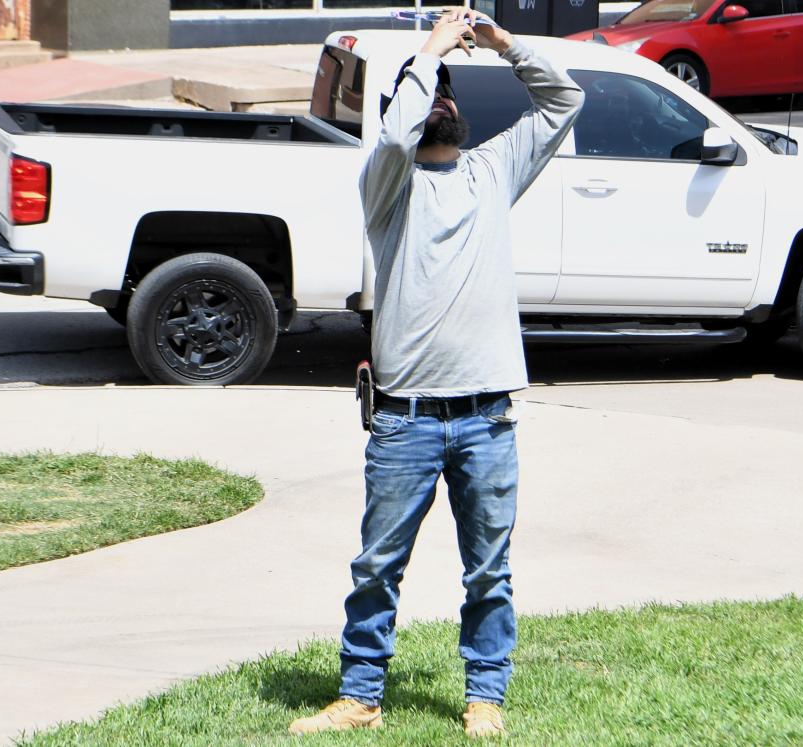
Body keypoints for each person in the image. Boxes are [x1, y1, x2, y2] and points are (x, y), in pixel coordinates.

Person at [289, 7, 583, 738]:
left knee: (488, 572)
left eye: (450, 90)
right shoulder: (387, 188)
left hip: (487, 418)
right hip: (405, 420)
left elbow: (563, 100)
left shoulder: (492, 171)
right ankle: (360, 697)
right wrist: (430, 49)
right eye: (428, 91)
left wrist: (505, 45)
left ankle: (485, 697)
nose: (441, 98)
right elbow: (394, 133)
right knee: (375, 568)